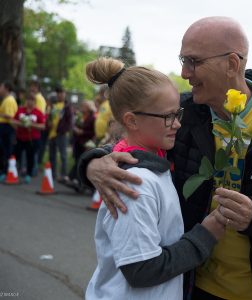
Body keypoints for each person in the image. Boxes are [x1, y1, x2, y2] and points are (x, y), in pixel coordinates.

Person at [79, 17, 252, 300]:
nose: (184, 72)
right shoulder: (183, 114)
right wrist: (93, 163)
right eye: (182, 59)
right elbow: (132, 139)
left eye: (194, 62)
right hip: (192, 287)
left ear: (232, 64)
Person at [84, 57, 225, 300]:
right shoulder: (135, 183)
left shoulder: (152, 165)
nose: (178, 124)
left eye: (178, 113)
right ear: (132, 120)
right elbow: (141, 270)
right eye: (168, 117)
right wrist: (205, 236)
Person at [10, 92, 46, 183]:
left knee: (30, 157)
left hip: (32, 139)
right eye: (28, 100)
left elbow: (43, 126)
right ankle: (12, 172)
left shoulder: (38, 112)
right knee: (15, 155)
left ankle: (29, 174)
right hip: (20, 137)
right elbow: (12, 121)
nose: (30, 102)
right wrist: (20, 124)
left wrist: (32, 125)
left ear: (35, 102)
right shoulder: (21, 110)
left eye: (32, 100)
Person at [66, 100, 96, 189]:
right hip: (78, 142)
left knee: (81, 161)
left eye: (84, 106)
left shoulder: (92, 118)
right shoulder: (80, 116)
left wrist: (82, 132)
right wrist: (75, 129)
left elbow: (93, 131)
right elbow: (75, 125)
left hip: (86, 143)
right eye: (82, 105)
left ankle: (74, 179)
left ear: (89, 108)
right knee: (77, 160)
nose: (82, 107)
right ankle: (76, 181)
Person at [48, 86, 72, 182]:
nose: (59, 94)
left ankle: (64, 175)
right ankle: (53, 174)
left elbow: (70, 121)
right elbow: (50, 117)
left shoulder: (67, 106)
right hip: (52, 134)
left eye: (61, 92)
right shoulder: (54, 105)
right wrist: (48, 122)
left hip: (61, 134)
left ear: (65, 94)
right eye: (58, 93)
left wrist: (64, 130)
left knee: (63, 156)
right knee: (52, 155)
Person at [0, 81, 18, 181]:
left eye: (1, 87)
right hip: (4, 127)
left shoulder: (9, 100)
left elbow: (10, 116)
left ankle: (6, 170)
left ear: (6, 88)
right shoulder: (6, 99)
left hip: (7, 128)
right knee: (4, 149)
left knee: (6, 150)